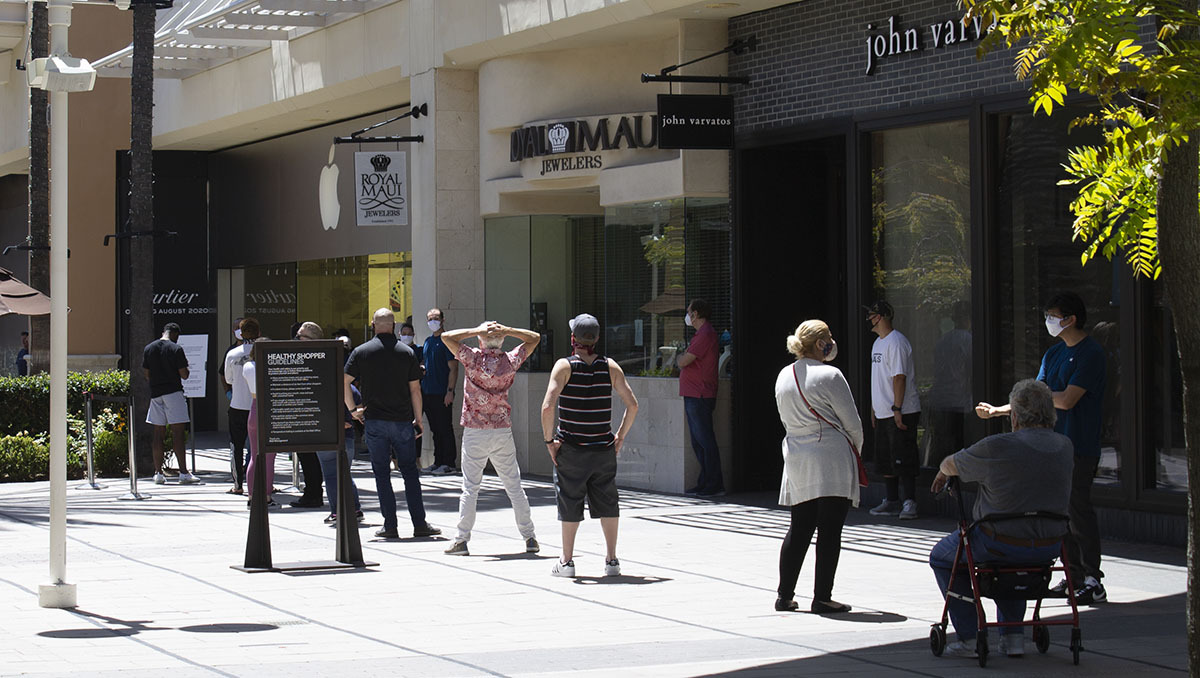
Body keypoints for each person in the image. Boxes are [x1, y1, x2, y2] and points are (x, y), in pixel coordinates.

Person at [976, 291, 1107, 604]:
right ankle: (1073, 577)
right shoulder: (1054, 354)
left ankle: (1093, 579)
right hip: (1050, 448)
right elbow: (1034, 398)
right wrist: (998, 410)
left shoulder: (1091, 354)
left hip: (1079, 445)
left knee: (1078, 511)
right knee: (1059, 513)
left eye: (1053, 314)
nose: (1048, 320)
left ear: (1070, 319)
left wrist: (1044, 396)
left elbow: (1066, 399)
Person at [930, 379, 1074, 658]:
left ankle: (969, 636)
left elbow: (951, 463)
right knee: (1014, 564)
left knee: (943, 557)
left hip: (998, 541)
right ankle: (1013, 636)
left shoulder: (998, 446)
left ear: (1015, 416)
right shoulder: (1065, 446)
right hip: (1050, 544)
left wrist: (943, 472)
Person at [773, 320, 862, 614]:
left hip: (797, 456)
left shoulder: (784, 375)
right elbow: (852, 423)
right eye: (829, 337)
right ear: (820, 343)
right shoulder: (830, 375)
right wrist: (857, 453)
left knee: (799, 527)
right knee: (829, 528)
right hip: (830, 457)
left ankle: (784, 595)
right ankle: (822, 596)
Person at [541, 313, 639, 578]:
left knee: (569, 502)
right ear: (596, 339)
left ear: (573, 339)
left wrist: (550, 441)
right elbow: (632, 405)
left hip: (571, 448)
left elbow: (548, 405)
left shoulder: (564, 366)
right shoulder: (610, 366)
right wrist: (619, 437)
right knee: (608, 503)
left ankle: (567, 562)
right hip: (603, 448)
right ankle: (611, 560)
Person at [440, 321, 541, 556]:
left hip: (475, 431)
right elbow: (534, 338)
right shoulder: (510, 360)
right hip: (501, 429)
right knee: (514, 486)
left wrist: (476, 330)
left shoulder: (472, 358)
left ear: (480, 341)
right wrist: (508, 329)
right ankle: (529, 537)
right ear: (502, 340)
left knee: (470, 488)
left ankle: (461, 539)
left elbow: (446, 336)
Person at [345, 308, 441, 539]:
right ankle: (419, 524)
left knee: (381, 473)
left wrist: (352, 410)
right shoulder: (406, 352)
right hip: (401, 421)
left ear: (373, 324)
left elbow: (344, 381)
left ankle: (390, 525)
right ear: (394, 326)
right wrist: (419, 419)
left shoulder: (361, 351)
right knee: (409, 471)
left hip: (375, 420)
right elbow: (415, 389)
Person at [298, 323, 363, 526]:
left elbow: (341, 391)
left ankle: (340, 511)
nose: (297, 340)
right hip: (333, 428)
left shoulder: (320, 364)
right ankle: (353, 508)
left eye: (301, 337)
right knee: (341, 473)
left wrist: (346, 415)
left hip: (330, 430)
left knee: (333, 474)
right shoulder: (329, 362)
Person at [864, 300, 921, 520]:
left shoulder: (896, 342)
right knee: (886, 457)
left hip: (901, 410)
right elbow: (878, 379)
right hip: (883, 411)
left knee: (903, 457)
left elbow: (899, 377)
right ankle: (891, 499)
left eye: (873, 314)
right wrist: (874, 407)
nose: (869, 318)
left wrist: (897, 408)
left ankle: (910, 501)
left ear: (882, 316)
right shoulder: (878, 343)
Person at [142, 322, 198, 485]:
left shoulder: (149, 348)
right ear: (175, 334)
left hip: (155, 394)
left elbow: (146, 373)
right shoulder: (176, 349)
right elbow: (184, 374)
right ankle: (183, 473)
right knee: (178, 433)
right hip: (173, 392)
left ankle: (158, 473)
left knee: (158, 433)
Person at [678, 299, 723, 498]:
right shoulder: (703, 334)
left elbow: (684, 361)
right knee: (699, 441)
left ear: (696, 314)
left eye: (689, 312)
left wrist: (681, 358)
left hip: (700, 394)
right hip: (695, 393)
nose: (687, 316)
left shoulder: (705, 334)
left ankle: (713, 484)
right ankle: (705, 482)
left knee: (705, 440)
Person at [289, 322, 326, 509]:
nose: (296, 339)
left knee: (311, 456)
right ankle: (312, 491)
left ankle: (313, 492)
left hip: (313, 415)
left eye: (300, 336)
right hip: (302, 413)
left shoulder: (319, 357)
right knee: (305, 455)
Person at [222, 318, 259, 494]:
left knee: (236, 446)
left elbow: (228, 379)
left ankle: (238, 485)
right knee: (259, 447)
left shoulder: (232, 353)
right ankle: (262, 483)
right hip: (258, 405)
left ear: (240, 333)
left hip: (237, 405)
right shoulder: (264, 352)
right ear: (258, 333)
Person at [421, 308, 458, 475]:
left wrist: (450, 391)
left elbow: (453, 368)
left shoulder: (447, 341)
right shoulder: (428, 341)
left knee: (445, 428)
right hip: (427, 393)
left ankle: (449, 463)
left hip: (442, 393)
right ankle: (438, 461)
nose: (432, 322)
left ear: (443, 320)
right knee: (435, 429)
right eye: (430, 319)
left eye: (436, 318)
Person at [242, 348, 277, 507]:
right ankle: (267, 496)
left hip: (254, 407)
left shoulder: (247, 366)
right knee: (269, 456)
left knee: (255, 456)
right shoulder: (272, 367)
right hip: (269, 408)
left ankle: (251, 495)